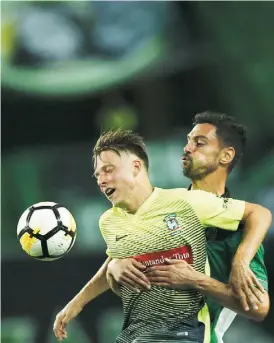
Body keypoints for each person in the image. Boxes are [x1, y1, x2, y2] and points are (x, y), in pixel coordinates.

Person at [53, 120, 271, 342]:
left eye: (108, 170)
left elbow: (260, 214)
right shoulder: (109, 221)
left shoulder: (187, 203)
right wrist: (79, 301)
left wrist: (241, 261)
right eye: (97, 175)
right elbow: (116, 257)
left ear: (136, 167)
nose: (102, 180)